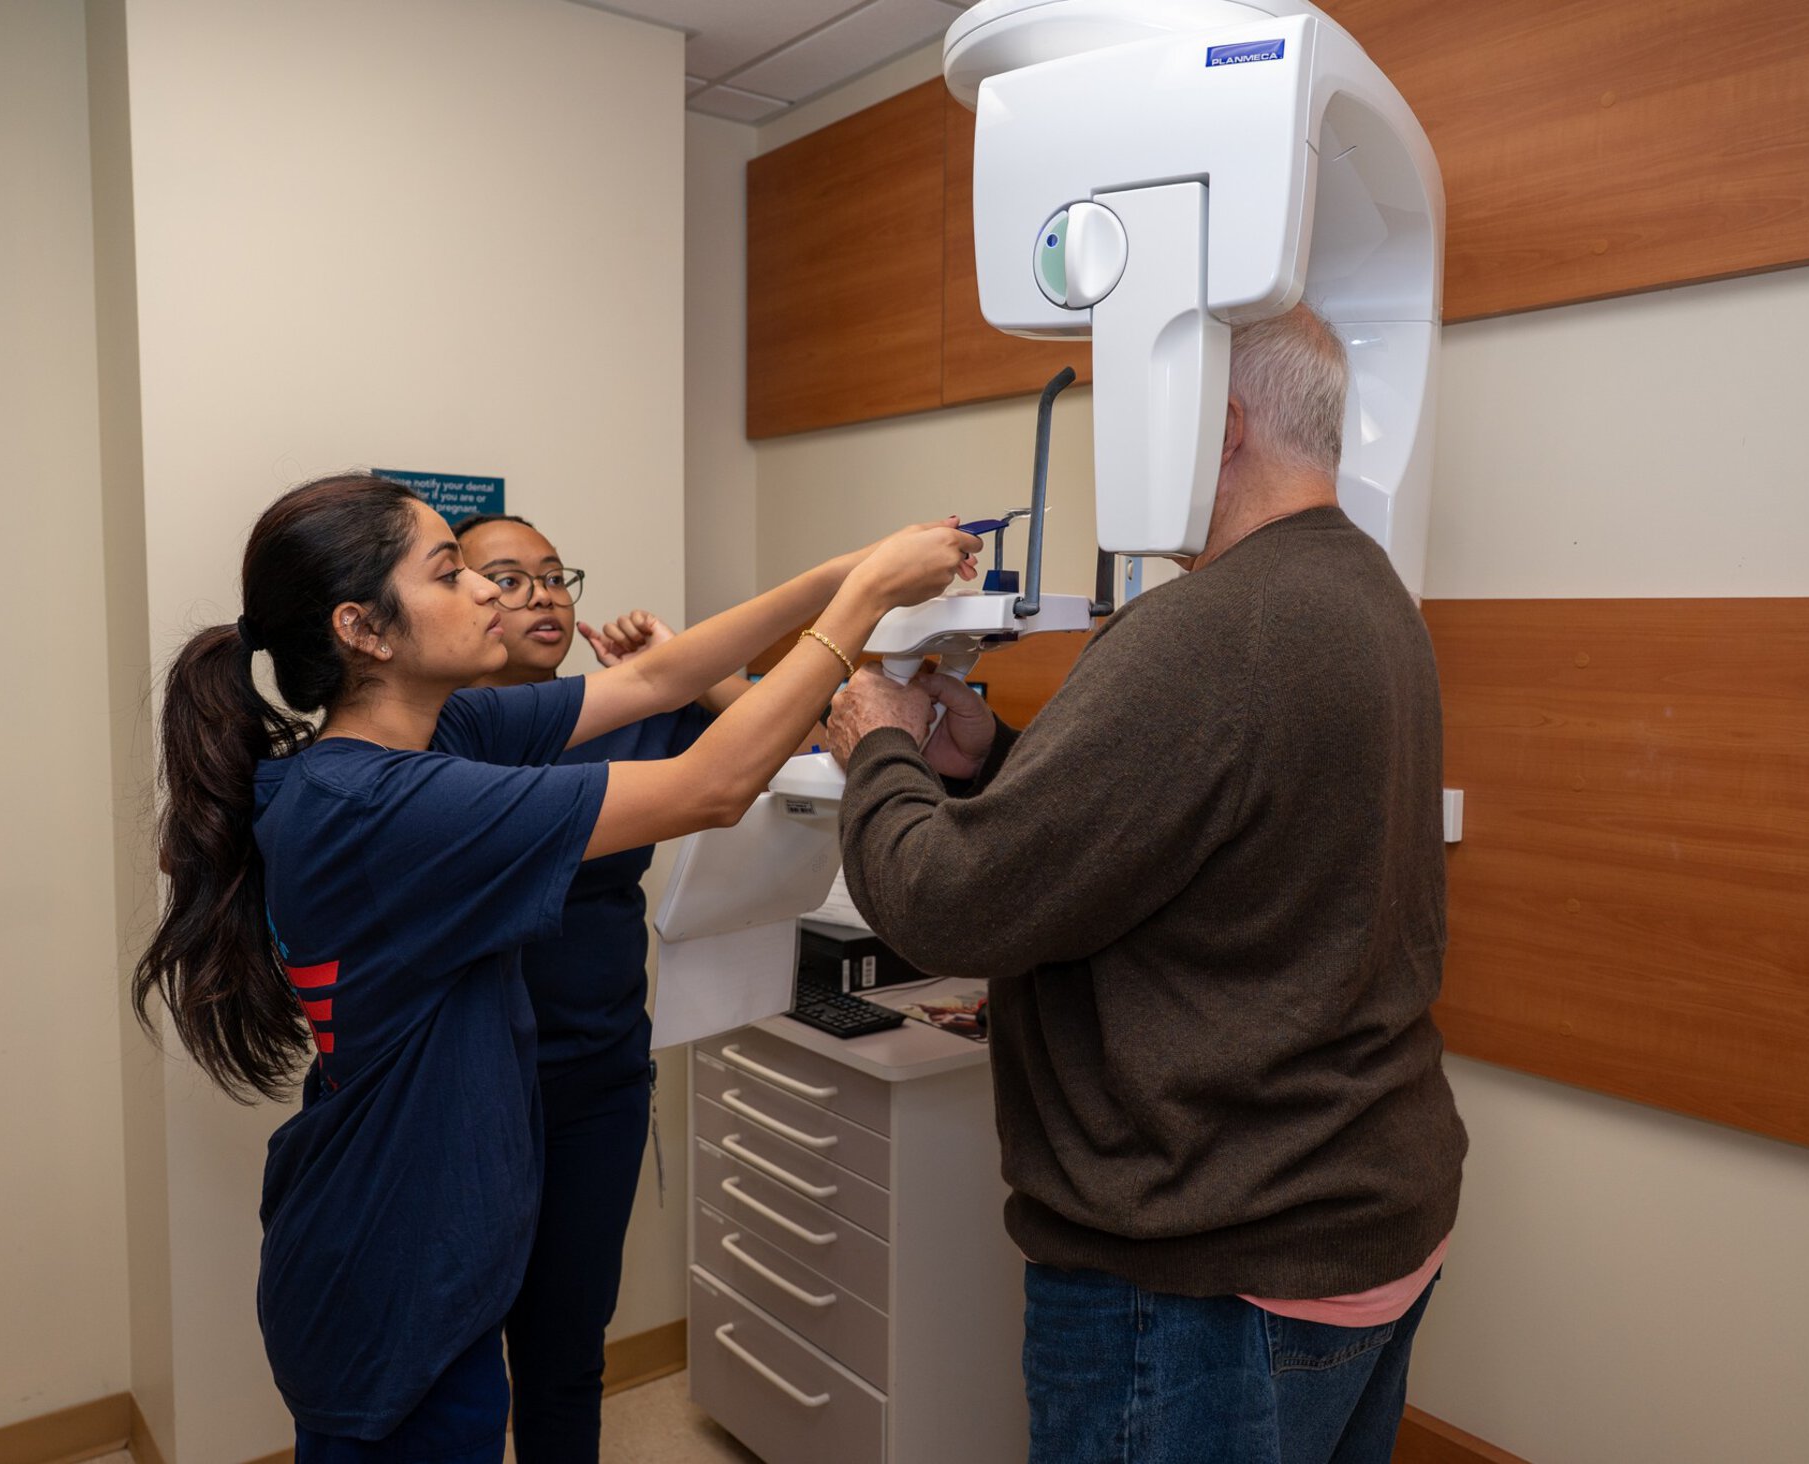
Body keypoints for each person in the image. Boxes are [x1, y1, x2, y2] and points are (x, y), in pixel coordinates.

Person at [134, 474, 977, 1464]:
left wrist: (848, 569)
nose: (491, 592)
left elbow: (655, 682)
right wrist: (863, 602)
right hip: (394, 1265)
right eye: (451, 573)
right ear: (364, 629)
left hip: (417, 1229)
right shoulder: (383, 806)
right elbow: (710, 787)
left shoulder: (426, 735)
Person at [823, 306, 1469, 1464]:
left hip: (1208, 1266)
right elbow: (1228, 839)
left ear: (1217, 427)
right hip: (1361, 1208)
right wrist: (1005, 760)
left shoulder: (1207, 628)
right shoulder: (1368, 598)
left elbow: (947, 903)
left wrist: (878, 745)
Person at [452, 511, 747, 1462]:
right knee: (452, 1359)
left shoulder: (627, 711)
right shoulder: (428, 736)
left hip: (597, 1086)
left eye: (553, 575)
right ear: (455, 599)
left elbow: (802, 748)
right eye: (506, 577)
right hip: (464, 1094)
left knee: (566, 1349)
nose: (542, 593)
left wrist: (686, 664)